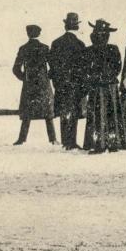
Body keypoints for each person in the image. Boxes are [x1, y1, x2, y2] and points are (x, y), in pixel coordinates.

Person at [82, 20, 126, 153]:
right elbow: (117, 68)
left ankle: (98, 143)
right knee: (111, 113)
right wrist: (108, 77)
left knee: (98, 114)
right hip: (109, 85)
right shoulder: (113, 48)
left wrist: (94, 78)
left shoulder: (90, 50)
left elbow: (86, 69)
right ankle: (113, 143)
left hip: (97, 86)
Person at [12, 26, 56, 145]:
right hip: (43, 85)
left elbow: (15, 69)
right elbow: (53, 67)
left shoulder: (23, 48)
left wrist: (25, 78)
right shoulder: (45, 48)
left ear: (28, 34)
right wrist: (47, 77)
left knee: (27, 113)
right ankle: (53, 139)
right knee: (48, 114)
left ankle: (22, 139)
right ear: (39, 34)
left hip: (29, 85)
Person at [49, 13, 86, 149]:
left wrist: (56, 82)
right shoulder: (80, 44)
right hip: (75, 84)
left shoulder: (56, 43)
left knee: (64, 112)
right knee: (74, 113)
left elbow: (52, 64)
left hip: (61, 84)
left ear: (65, 26)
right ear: (76, 27)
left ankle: (65, 141)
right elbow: (83, 67)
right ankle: (72, 141)